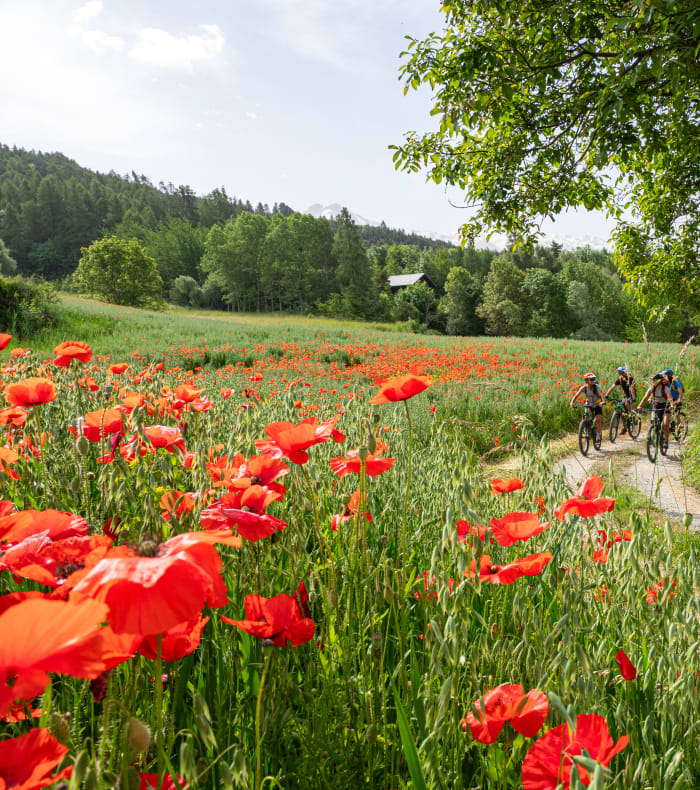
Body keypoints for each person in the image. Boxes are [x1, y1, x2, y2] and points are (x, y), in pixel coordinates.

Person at [570, 372, 606, 444]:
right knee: (586, 416)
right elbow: (576, 395)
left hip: (597, 403)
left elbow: (601, 394)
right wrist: (572, 402)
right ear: (587, 380)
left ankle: (598, 437)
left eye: (593, 379)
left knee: (598, 419)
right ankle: (587, 428)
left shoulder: (597, 386)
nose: (593, 381)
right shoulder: (584, 388)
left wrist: (603, 401)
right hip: (589, 404)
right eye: (591, 379)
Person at [636, 372, 670, 447]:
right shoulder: (652, 388)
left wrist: (672, 405)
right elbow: (645, 397)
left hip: (665, 406)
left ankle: (666, 441)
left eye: (654, 380)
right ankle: (652, 434)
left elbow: (670, 399)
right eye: (653, 380)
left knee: (665, 424)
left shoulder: (666, 388)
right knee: (653, 421)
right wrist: (639, 406)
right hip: (656, 405)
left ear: (660, 380)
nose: (653, 381)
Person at [605, 366, 636, 434]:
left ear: (625, 372)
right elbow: (612, 387)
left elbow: (633, 389)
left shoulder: (631, 378)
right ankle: (625, 427)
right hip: (625, 395)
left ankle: (632, 415)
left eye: (622, 373)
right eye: (620, 373)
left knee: (626, 403)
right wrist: (606, 395)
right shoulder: (619, 379)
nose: (621, 375)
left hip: (631, 394)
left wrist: (633, 398)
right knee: (622, 411)